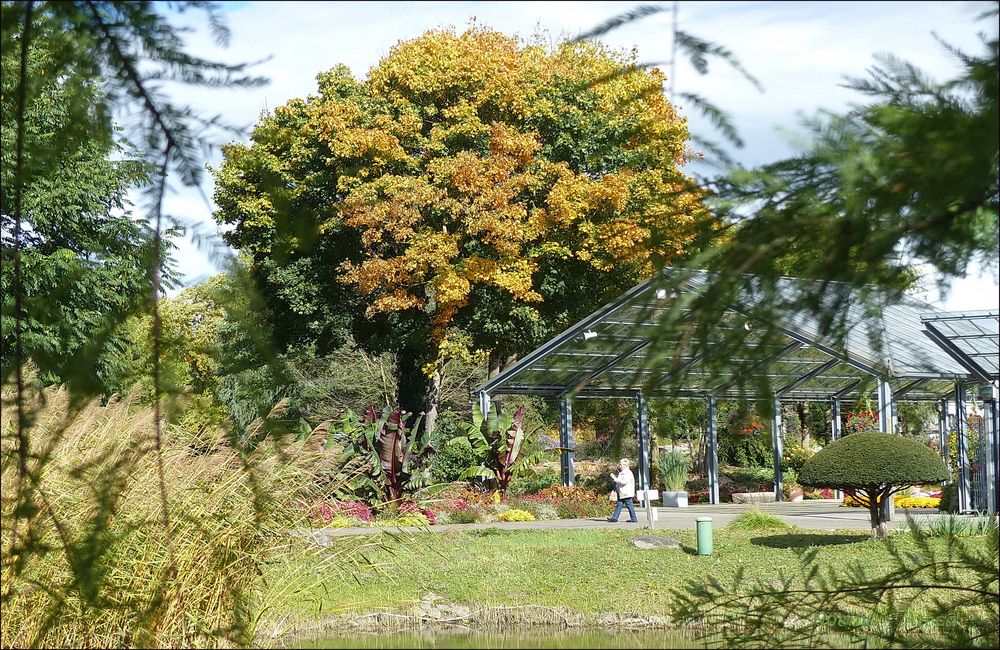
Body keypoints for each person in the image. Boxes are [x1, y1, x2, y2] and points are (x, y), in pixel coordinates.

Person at [607, 458, 638, 523]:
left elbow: (623, 482)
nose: (619, 466)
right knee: (620, 504)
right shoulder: (623, 472)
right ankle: (615, 517)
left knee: (629, 505)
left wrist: (614, 478)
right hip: (623, 492)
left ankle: (633, 518)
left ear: (625, 465)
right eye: (620, 464)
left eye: (621, 464)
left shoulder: (627, 473)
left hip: (626, 492)